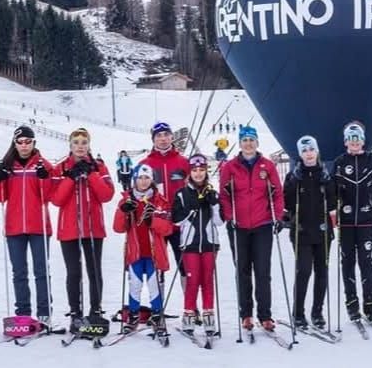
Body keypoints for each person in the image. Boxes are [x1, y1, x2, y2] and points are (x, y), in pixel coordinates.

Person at [218, 125, 284, 332]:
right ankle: (246, 314)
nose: (248, 144)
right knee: (243, 270)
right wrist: (230, 216)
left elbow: (277, 193)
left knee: (263, 271)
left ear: (257, 142)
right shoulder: (230, 167)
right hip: (238, 226)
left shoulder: (267, 166)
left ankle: (265, 315)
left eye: (252, 140)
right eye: (245, 140)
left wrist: (278, 215)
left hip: (262, 224)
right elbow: (224, 195)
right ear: (240, 143)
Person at [50, 128, 116, 332]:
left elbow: (107, 195)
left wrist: (92, 175)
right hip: (69, 228)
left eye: (84, 142)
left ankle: (95, 310)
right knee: (74, 272)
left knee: (94, 271)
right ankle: (75, 313)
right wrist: (71, 178)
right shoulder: (60, 167)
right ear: (70, 145)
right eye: (76, 142)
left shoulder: (99, 166)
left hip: (93, 228)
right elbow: (56, 199)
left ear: (89, 145)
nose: (80, 146)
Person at [0, 125, 56, 323]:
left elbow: (49, 197)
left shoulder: (43, 164)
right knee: (19, 272)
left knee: (41, 271)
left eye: (28, 141)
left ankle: (44, 311)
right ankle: (23, 312)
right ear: (15, 144)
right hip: (14, 227)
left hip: (38, 226)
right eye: (20, 142)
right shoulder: (8, 165)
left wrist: (44, 178)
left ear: (34, 143)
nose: (24, 145)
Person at [332, 121, 372, 323]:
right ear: (346, 141)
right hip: (346, 221)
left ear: (363, 141)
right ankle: (352, 303)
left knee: (366, 261)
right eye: (351, 139)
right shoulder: (340, 161)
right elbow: (331, 189)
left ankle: (370, 304)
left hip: (365, 219)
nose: (354, 143)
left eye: (358, 139)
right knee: (348, 262)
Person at [282, 135, 335, 330]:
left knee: (322, 272)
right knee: (303, 271)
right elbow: (286, 201)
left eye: (311, 149)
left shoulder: (325, 173)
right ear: (300, 154)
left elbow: (333, 200)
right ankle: (298, 313)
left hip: (322, 230)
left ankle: (317, 312)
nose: (309, 154)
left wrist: (328, 182)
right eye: (304, 151)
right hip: (302, 231)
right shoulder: (294, 175)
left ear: (317, 151)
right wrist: (293, 181)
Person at [113, 165, 173, 335]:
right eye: (140, 178)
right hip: (135, 253)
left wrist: (152, 221)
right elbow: (118, 228)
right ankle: (133, 315)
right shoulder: (127, 200)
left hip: (155, 254)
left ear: (152, 180)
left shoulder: (160, 201)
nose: (143, 181)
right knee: (135, 286)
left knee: (155, 286)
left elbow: (168, 228)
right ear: (134, 180)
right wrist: (122, 212)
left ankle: (157, 315)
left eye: (147, 178)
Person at [173, 153, 223, 336]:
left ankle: (209, 316)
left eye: (201, 170)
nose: (198, 174)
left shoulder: (212, 192)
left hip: (209, 243)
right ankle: (189, 315)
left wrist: (214, 204)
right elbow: (176, 220)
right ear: (190, 173)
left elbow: (219, 222)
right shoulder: (181, 194)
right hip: (190, 245)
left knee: (208, 281)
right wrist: (191, 208)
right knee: (193, 281)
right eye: (194, 170)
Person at [138, 122, 191, 271]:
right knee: (157, 267)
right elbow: (138, 194)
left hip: (180, 223)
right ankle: (158, 294)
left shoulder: (184, 162)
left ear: (172, 137)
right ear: (153, 139)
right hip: (157, 223)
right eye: (159, 136)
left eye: (166, 135)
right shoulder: (145, 164)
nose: (163, 139)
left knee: (186, 268)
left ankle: (187, 294)